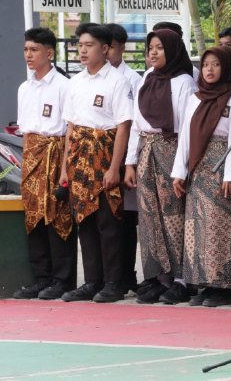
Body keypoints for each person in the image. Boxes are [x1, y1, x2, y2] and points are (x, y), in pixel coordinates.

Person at [60, 23, 132, 303]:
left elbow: (123, 127)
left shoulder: (117, 81)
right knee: (85, 221)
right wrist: (66, 166)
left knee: (108, 220)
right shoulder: (75, 82)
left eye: (89, 45)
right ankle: (91, 281)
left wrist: (115, 167)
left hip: (104, 156)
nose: (83, 51)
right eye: (80, 46)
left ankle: (114, 282)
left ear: (104, 48)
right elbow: (71, 128)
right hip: (79, 159)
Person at [123, 29, 196, 304]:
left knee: (173, 214)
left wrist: (181, 168)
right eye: (150, 48)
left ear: (173, 51)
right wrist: (130, 162)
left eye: (159, 48)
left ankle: (180, 278)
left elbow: (186, 129)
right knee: (149, 216)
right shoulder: (147, 78)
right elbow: (135, 125)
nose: (152, 53)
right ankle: (155, 277)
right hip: (146, 150)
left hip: (171, 149)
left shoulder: (184, 82)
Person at [172, 46, 231, 307]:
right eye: (206, 65)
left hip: (222, 168)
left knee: (223, 228)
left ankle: (226, 286)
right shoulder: (195, 98)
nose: (210, 70)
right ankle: (204, 282)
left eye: (216, 65)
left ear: (226, 67)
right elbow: (185, 136)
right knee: (199, 228)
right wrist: (179, 172)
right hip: (199, 168)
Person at [13, 27, 77, 300]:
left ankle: (62, 279)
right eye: (26, 49)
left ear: (49, 53)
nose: (29, 54)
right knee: (34, 217)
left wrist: (64, 169)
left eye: (34, 49)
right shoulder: (24, 88)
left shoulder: (64, 86)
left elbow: (69, 131)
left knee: (57, 216)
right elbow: (26, 132)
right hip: (33, 157)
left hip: (56, 154)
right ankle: (41, 277)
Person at [105, 22, 142, 294]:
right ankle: (111, 276)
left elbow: (132, 125)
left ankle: (127, 274)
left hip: (126, 155)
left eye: (112, 48)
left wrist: (128, 162)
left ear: (121, 47)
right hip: (98, 159)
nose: (107, 54)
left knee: (127, 219)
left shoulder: (133, 80)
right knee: (107, 220)